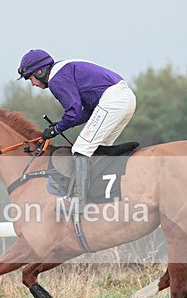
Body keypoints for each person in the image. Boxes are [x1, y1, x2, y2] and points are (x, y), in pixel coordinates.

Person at [17, 49, 136, 213]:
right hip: (125, 99)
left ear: (40, 71)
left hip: (113, 101)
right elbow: (85, 112)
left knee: (81, 149)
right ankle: (103, 197)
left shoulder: (56, 80)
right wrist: (59, 125)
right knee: (98, 151)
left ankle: (79, 203)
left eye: (31, 78)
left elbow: (73, 112)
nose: (33, 84)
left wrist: (56, 130)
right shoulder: (62, 71)